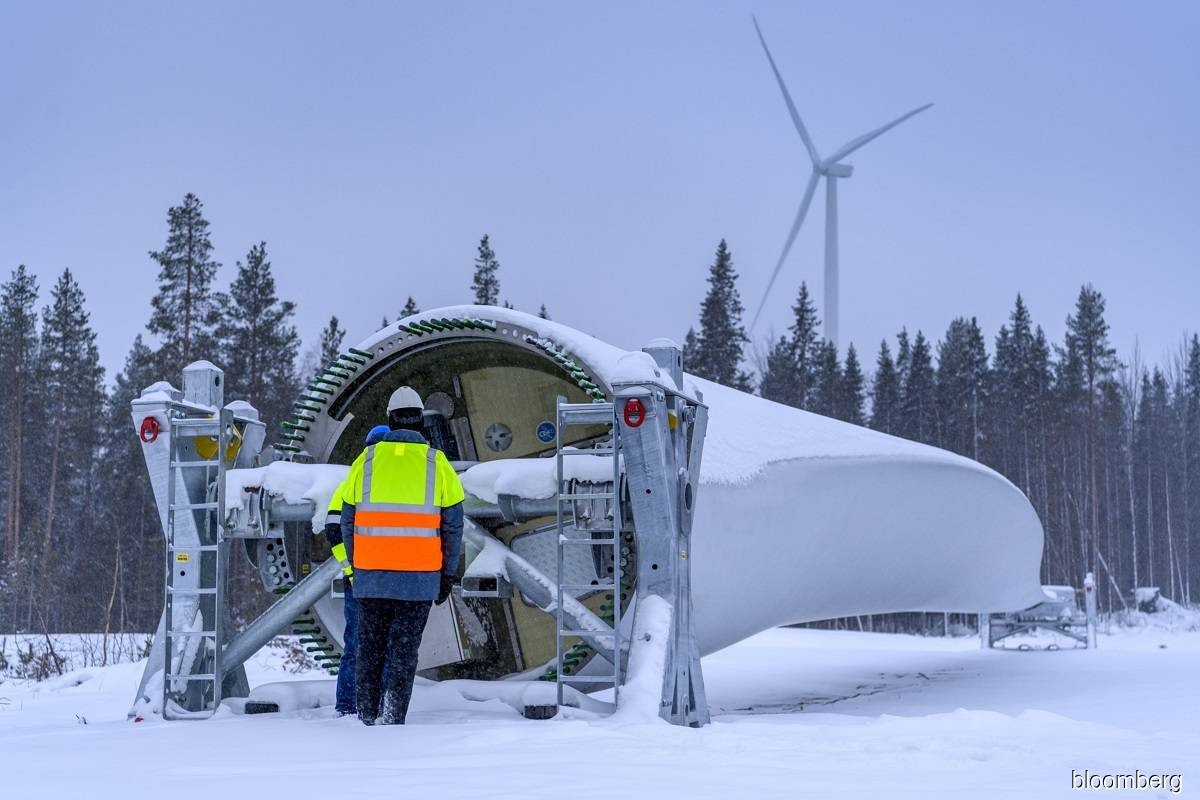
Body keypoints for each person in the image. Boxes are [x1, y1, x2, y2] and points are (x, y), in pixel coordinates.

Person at [333, 387, 465, 725]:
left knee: (370, 651)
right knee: (403, 654)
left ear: (390, 420)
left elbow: (346, 520)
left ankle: (366, 716)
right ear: (421, 421)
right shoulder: (439, 464)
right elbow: (453, 527)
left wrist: (356, 567)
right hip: (419, 581)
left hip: (372, 577)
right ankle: (393, 719)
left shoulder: (366, 461)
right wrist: (447, 574)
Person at [324, 424, 392, 716]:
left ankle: (352, 706)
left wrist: (352, 568)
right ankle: (366, 706)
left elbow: (333, 530)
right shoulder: (363, 479)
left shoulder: (352, 480)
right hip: (385, 577)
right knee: (381, 645)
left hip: (364, 577)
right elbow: (334, 530)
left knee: (360, 644)